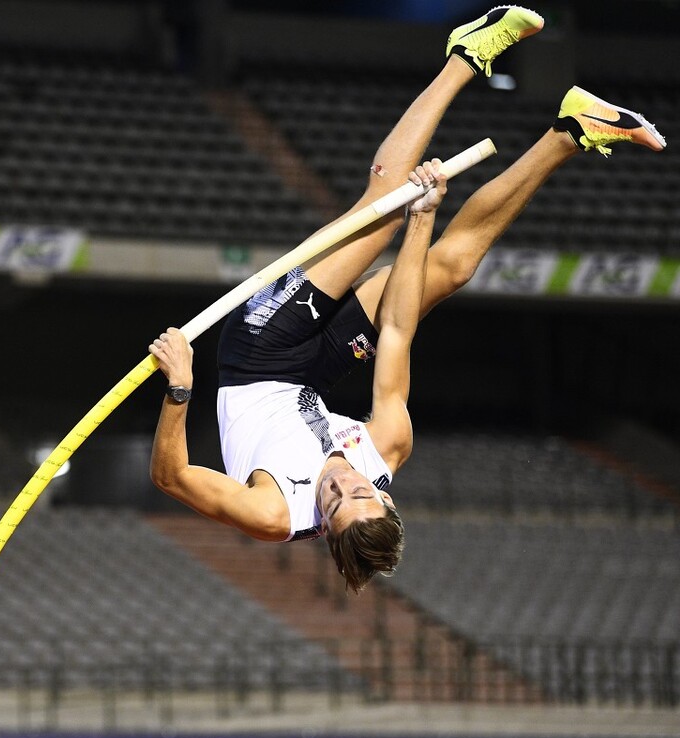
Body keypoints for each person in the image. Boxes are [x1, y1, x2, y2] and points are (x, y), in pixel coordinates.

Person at [147, 6, 666, 594]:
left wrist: (181, 389)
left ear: (324, 525)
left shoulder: (273, 514)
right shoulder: (388, 446)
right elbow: (396, 331)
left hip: (258, 356)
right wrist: (425, 220)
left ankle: (466, 54)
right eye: (358, 491)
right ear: (386, 499)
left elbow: (172, 477)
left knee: (380, 210)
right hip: (313, 374)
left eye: (334, 501)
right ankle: (573, 130)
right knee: (451, 266)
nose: (340, 481)